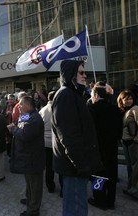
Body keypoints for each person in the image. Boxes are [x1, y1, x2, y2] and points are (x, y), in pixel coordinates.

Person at [52, 60, 103, 216]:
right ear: (71, 75)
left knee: (78, 207)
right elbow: (68, 136)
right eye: (81, 72)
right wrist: (81, 164)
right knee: (76, 209)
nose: (85, 75)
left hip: (77, 165)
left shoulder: (73, 93)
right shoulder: (66, 94)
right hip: (74, 167)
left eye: (84, 72)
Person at [7, 96, 45, 216]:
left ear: (29, 105)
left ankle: (33, 211)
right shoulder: (28, 115)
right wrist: (15, 124)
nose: (18, 106)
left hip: (33, 159)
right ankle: (30, 201)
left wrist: (13, 129)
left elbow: (24, 134)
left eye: (21, 104)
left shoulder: (34, 118)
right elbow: (19, 123)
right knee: (30, 184)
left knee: (35, 186)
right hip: (28, 158)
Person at [87, 82, 122, 210]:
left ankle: (99, 200)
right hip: (112, 147)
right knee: (112, 175)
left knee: (98, 176)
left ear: (96, 94)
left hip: (98, 149)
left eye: (92, 95)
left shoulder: (91, 109)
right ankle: (110, 201)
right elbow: (119, 132)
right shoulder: (115, 109)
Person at [39, 91, 63, 195]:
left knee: (49, 166)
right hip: (58, 142)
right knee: (62, 167)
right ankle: (63, 189)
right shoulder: (60, 108)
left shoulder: (43, 110)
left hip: (46, 142)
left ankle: (50, 186)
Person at [117, 90, 138, 199]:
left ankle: (135, 190)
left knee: (135, 167)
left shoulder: (135, 109)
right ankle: (131, 187)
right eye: (126, 99)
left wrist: (136, 140)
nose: (129, 101)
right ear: (121, 100)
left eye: (131, 98)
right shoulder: (123, 111)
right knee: (130, 167)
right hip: (125, 142)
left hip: (133, 143)